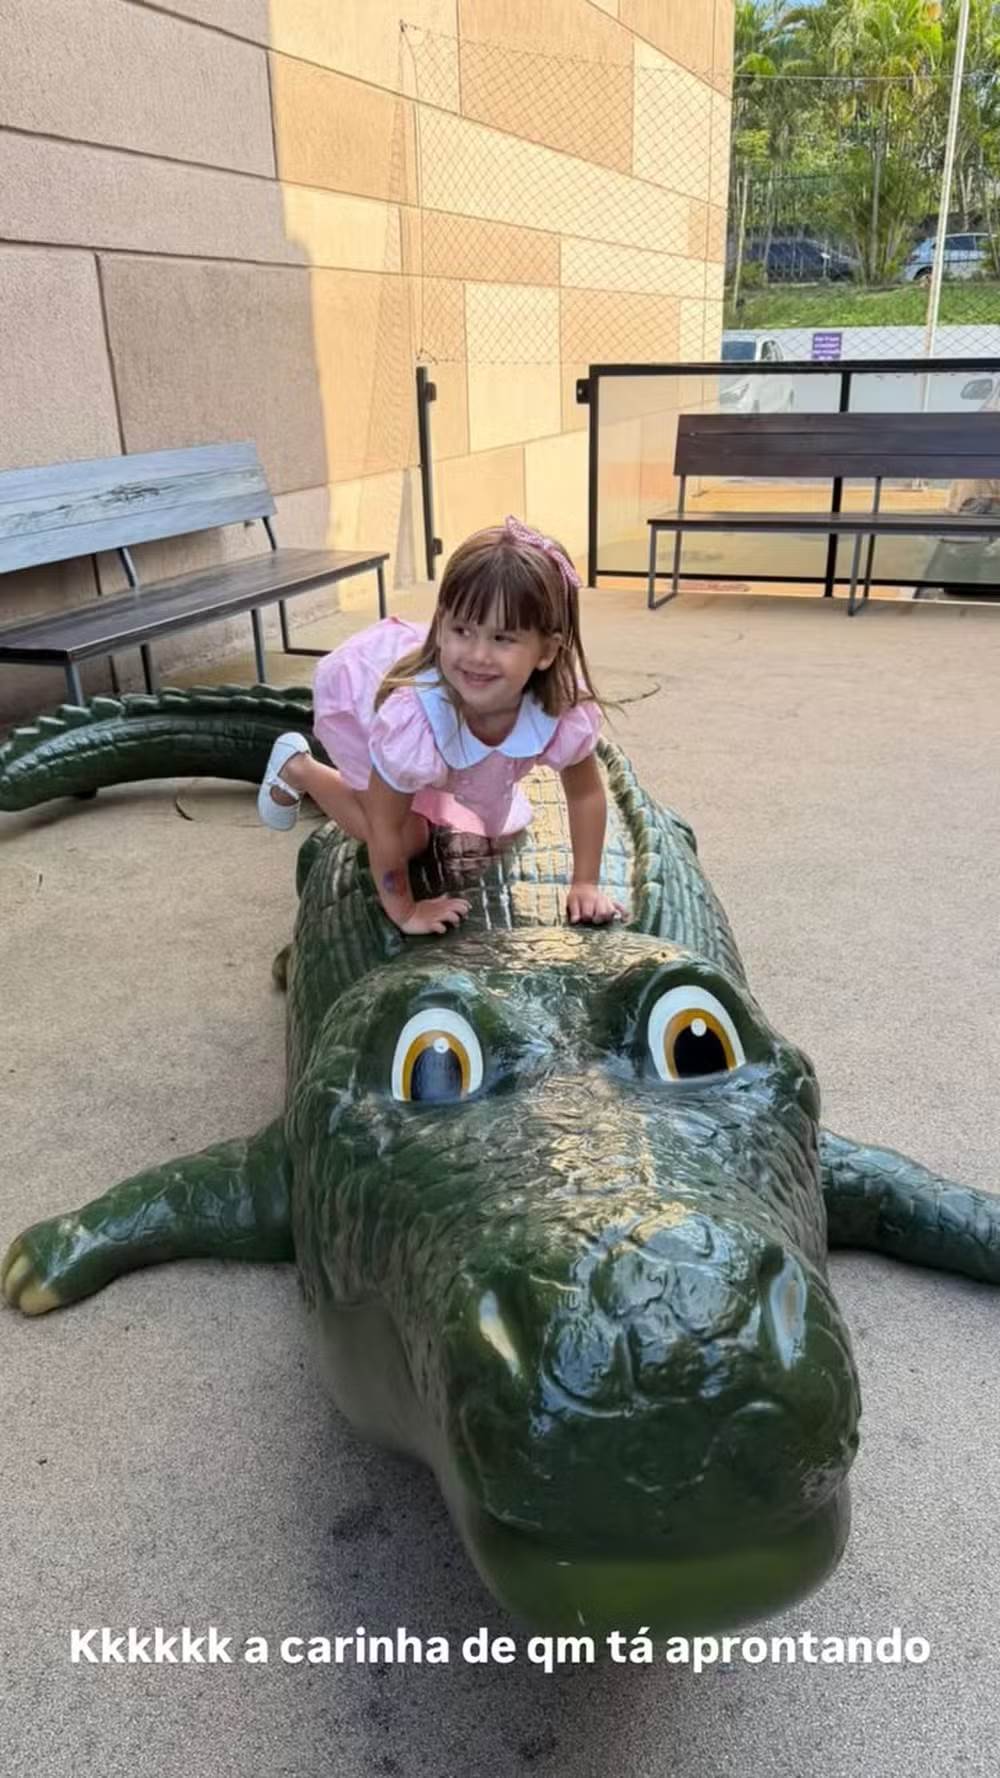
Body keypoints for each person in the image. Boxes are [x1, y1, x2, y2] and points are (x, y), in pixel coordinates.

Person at [257, 516, 626, 936]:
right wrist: (405, 911)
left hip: (445, 719)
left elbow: (585, 794)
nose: (477, 655)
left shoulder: (559, 707)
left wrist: (585, 883)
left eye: (502, 638)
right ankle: (299, 767)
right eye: (462, 630)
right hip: (362, 697)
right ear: (441, 625)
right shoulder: (409, 721)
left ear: (546, 652)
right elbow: (384, 825)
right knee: (407, 837)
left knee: (427, 819)